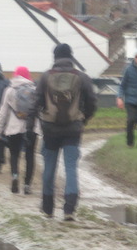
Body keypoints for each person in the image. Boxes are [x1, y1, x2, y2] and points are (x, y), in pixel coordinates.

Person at [35, 43, 97, 220]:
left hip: (50, 129)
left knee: (49, 167)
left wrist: (39, 120)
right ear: (71, 57)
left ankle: (48, 208)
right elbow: (92, 102)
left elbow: (36, 102)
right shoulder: (82, 77)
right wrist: (83, 119)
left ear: (55, 57)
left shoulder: (45, 77)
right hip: (73, 129)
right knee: (70, 168)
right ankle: (69, 209)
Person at [0, 66, 41, 194]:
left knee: (14, 154)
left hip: (13, 129)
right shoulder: (35, 90)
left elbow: (3, 112)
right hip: (31, 128)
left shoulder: (9, 90)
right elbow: (39, 111)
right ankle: (27, 185)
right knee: (30, 156)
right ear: (28, 76)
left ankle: (15, 176)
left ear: (15, 75)